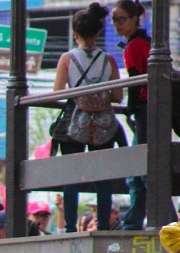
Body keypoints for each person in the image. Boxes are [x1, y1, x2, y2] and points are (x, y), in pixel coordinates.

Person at [54, 3, 123, 232]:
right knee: (102, 177)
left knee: (72, 175)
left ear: (75, 34)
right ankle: (103, 225)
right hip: (103, 124)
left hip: (74, 122)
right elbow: (117, 96)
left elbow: (58, 93)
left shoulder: (67, 59)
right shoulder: (109, 60)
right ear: (97, 33)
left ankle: (71, 227)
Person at [112, 0, 151, 230]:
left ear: (135, 18)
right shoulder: (141, 42)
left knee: (144, 170)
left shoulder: (135, 45)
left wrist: (131, 110)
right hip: (147, 109)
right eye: (114, 20)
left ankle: (167, 220)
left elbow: (137, 84)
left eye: (121, 19)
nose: (117, 24)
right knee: (138, 174)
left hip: (147, 110)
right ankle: (134, 222)